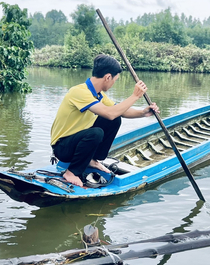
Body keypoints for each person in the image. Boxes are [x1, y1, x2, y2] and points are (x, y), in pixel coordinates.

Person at [50, 54, 159, 187]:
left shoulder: (99, 95)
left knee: (114, 120)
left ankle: (92, 159)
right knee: (96, 132)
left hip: (76, 142)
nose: (114, 83)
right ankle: (72, 172)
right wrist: (135, 96)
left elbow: (119, 112)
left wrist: (143, 112)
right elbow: (109, 113)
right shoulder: (79, 92)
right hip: (62, 148)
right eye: (115, 80)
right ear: (108, 77)